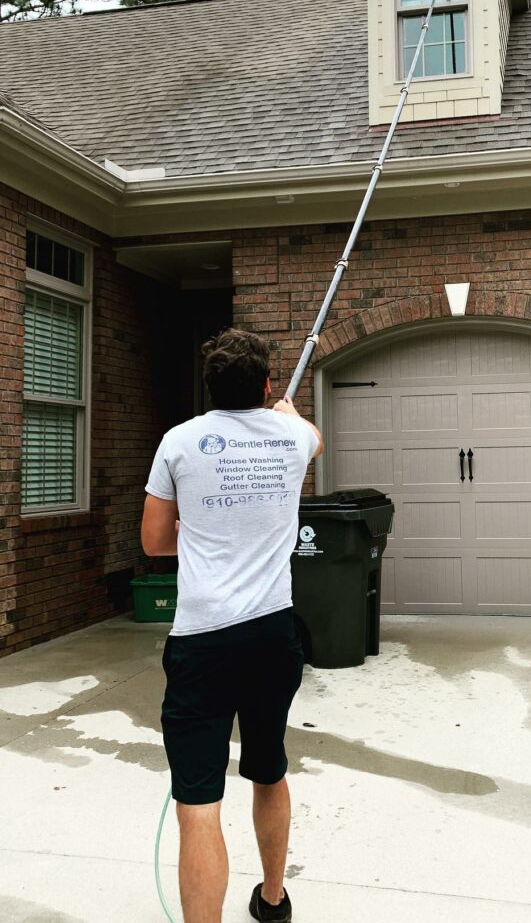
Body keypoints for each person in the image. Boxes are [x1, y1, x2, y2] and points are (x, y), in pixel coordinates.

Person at [141, 328, 323, 923]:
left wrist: (203, 537)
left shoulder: (178, 442)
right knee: (268, 768)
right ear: (268, 385)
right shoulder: (294, 436)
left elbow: (155, 542)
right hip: (272, 637)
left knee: (198, 799)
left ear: (209, 387)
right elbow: (314, 439)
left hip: (202, 641)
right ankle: (273, 900)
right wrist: (288, 415)